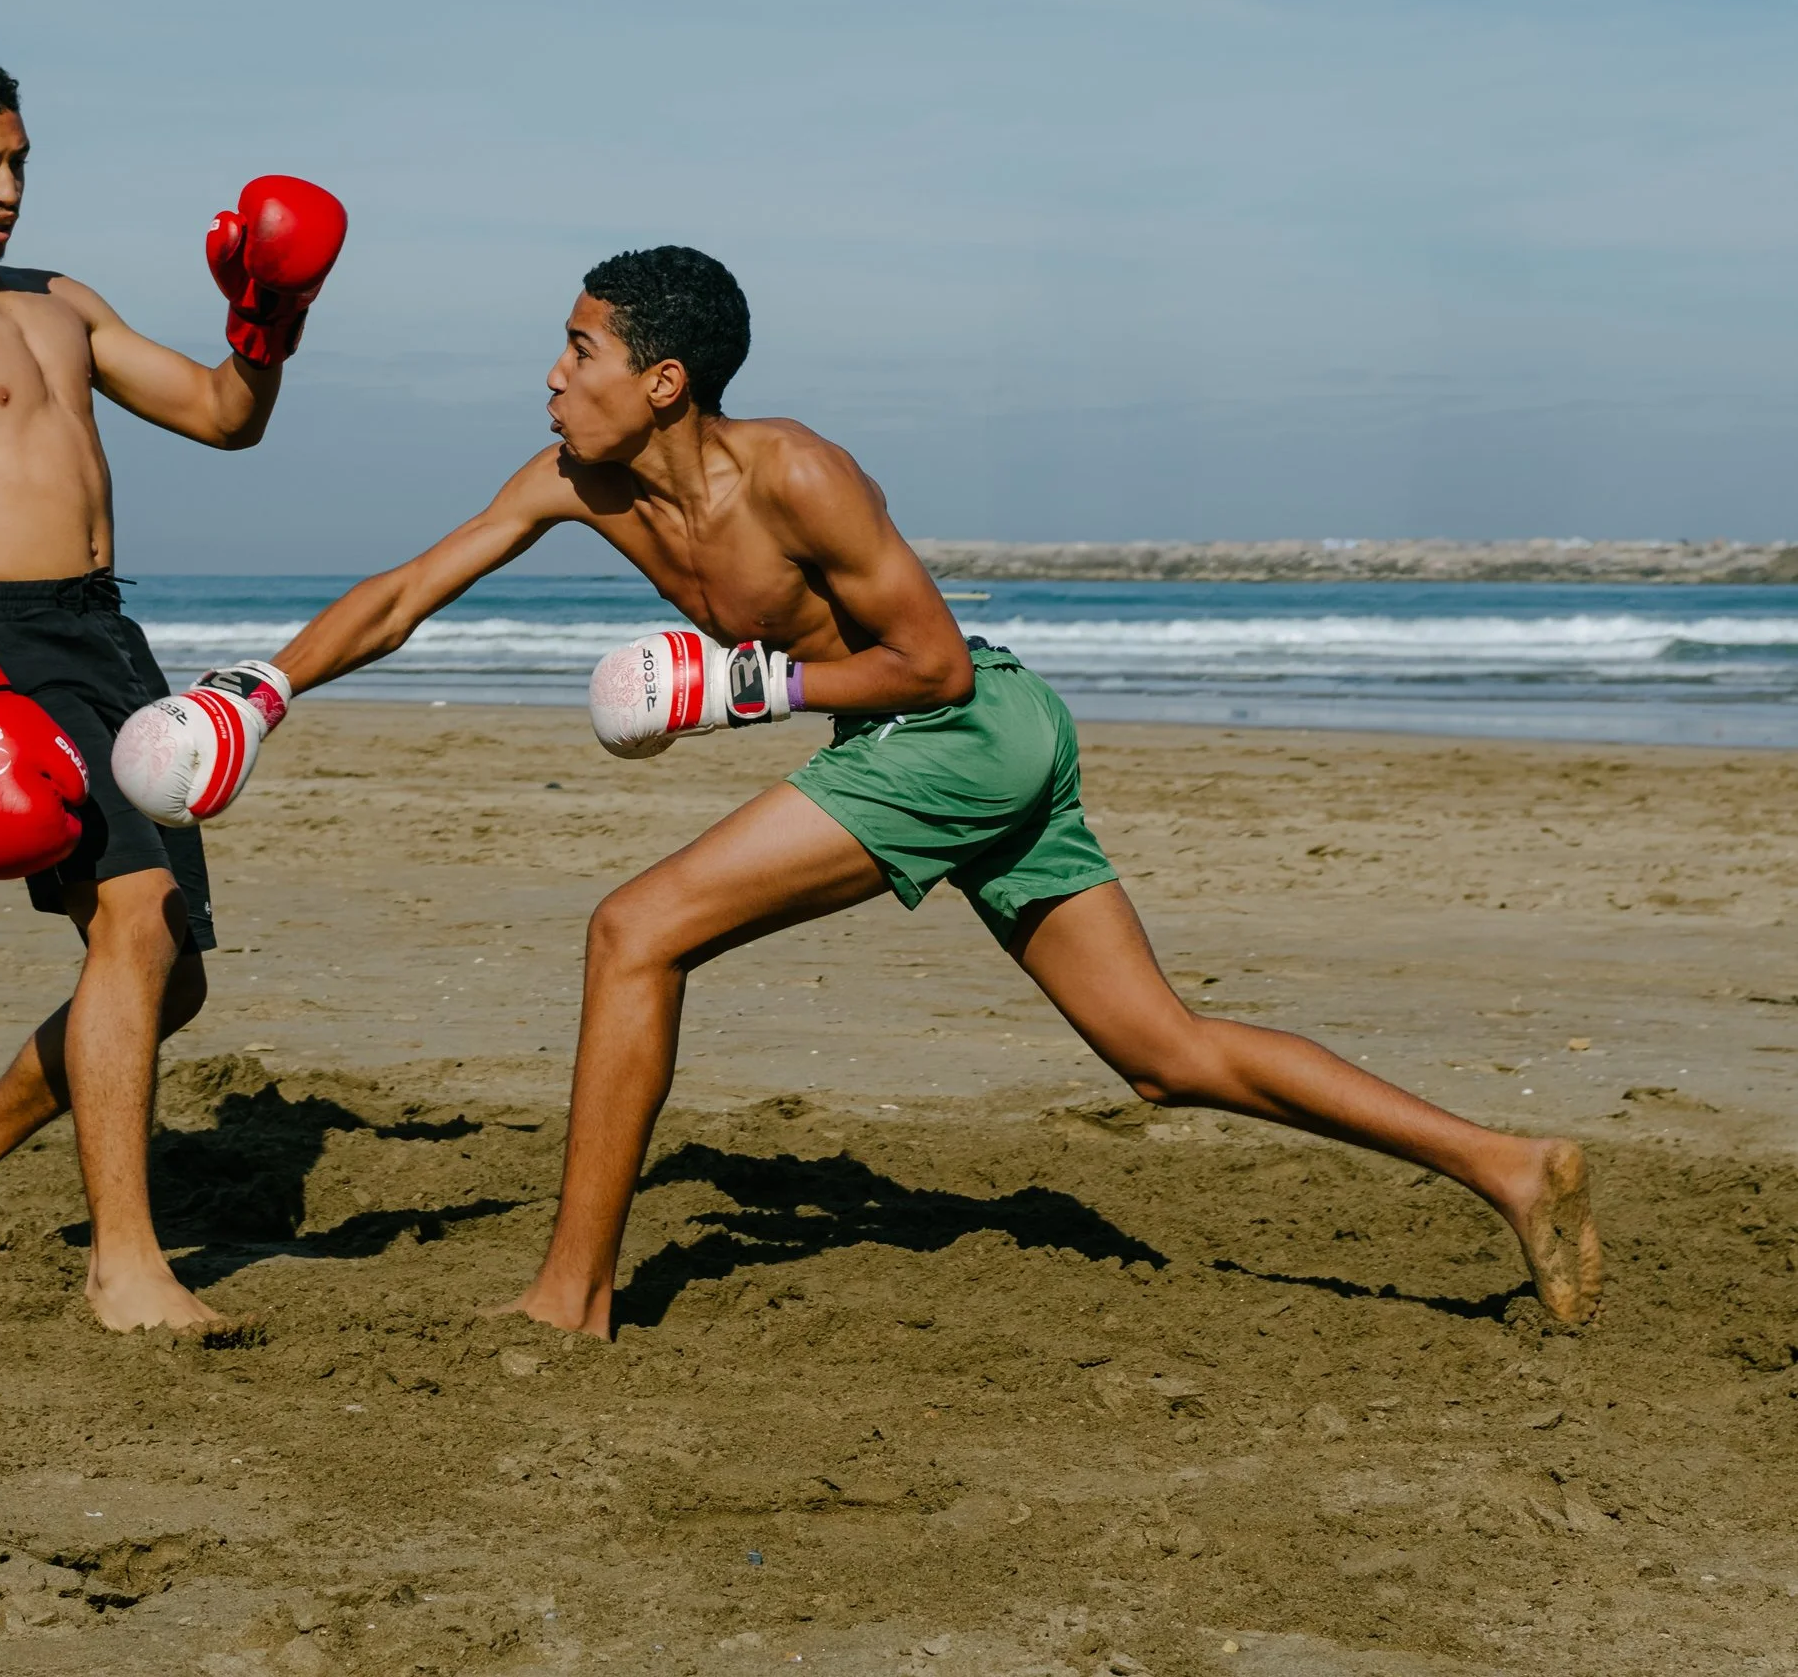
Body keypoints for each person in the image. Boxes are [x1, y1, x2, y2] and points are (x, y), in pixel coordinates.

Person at [116, 245, 1602, 1339]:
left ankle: (570, 1295)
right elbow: (406, 593)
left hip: (963, 729)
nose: (553, 376)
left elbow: (936, 665)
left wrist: (737, 690)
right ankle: (1510, 1165)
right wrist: (265, 690)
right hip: (935, 747)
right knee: (1163, 1054)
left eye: (577, 350)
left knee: (637, 930)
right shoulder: (577, 479)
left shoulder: (798, 478)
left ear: (663, 379)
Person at [0, 45, 345, 1331]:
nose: (5, 188)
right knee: (137, 918)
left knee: (173, 977)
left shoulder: (62, 301)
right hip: (3, 647)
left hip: (110, 637)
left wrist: (266, 320)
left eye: (17, 162)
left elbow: (228, 416)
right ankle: (124, 1263)